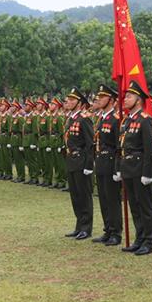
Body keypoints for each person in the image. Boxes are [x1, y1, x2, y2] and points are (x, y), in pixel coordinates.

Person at [118, 81, 152, 255]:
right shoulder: (127, 121)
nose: (125, 99)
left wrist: (147, 173)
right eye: (125, 96)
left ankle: (149, 241)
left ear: (139, 100)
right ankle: (139, 238)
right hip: (128, 169)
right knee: (134, 205)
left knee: (146, 207)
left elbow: (150, 149)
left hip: (141, 169)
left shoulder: (145, 120)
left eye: (129, 96)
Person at [92, 84, 123, 246]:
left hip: (111, 163)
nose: (98, 99)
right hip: (101, 162)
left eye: (102, 97)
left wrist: (118, 168)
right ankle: (108, 229)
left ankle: (116, 233)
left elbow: (119, 146)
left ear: (111, 100)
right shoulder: (102, 117)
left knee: (112, 199)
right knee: (103, 198)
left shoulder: (116, 119)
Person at [63, 88, 95, 239]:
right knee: (75, 195)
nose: (68, 102)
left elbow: (90, 144)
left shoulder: (84, 119)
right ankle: (79, 225)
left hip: (81, 161)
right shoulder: (71, 118)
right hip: (71, 160)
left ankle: (86, 228)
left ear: (80, 103)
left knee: (84, 196)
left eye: (72, 100)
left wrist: (89, 165)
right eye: (68, 99)